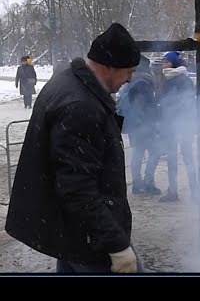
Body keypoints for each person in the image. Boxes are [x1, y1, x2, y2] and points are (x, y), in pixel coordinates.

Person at [5, 22, 144, 273]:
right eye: (128, 71)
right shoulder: (81, 105)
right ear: (108, 66)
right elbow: (77, 187)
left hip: (73, 231)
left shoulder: (69, 82)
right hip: (89, 239)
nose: (130, 79)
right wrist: (118, 246)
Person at [117, 55, 162, 195]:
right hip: (143, 124)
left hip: (133, 125)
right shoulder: (143, 83)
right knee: (155, 152)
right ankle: (148, 183)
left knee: (138, 153)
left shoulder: (130, 81)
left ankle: (137, 184)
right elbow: (147, 107)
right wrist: (152, 124)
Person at [157, 51, 198, 202]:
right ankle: (173, 191)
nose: (164, 65)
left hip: (181, 124)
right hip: (170, 125)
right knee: (172, 159)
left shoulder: (182, 80)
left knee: (187, 158)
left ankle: (195, 190)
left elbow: (186, 103)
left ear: (174, 63)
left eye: (166, 62)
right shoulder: (167, 78)